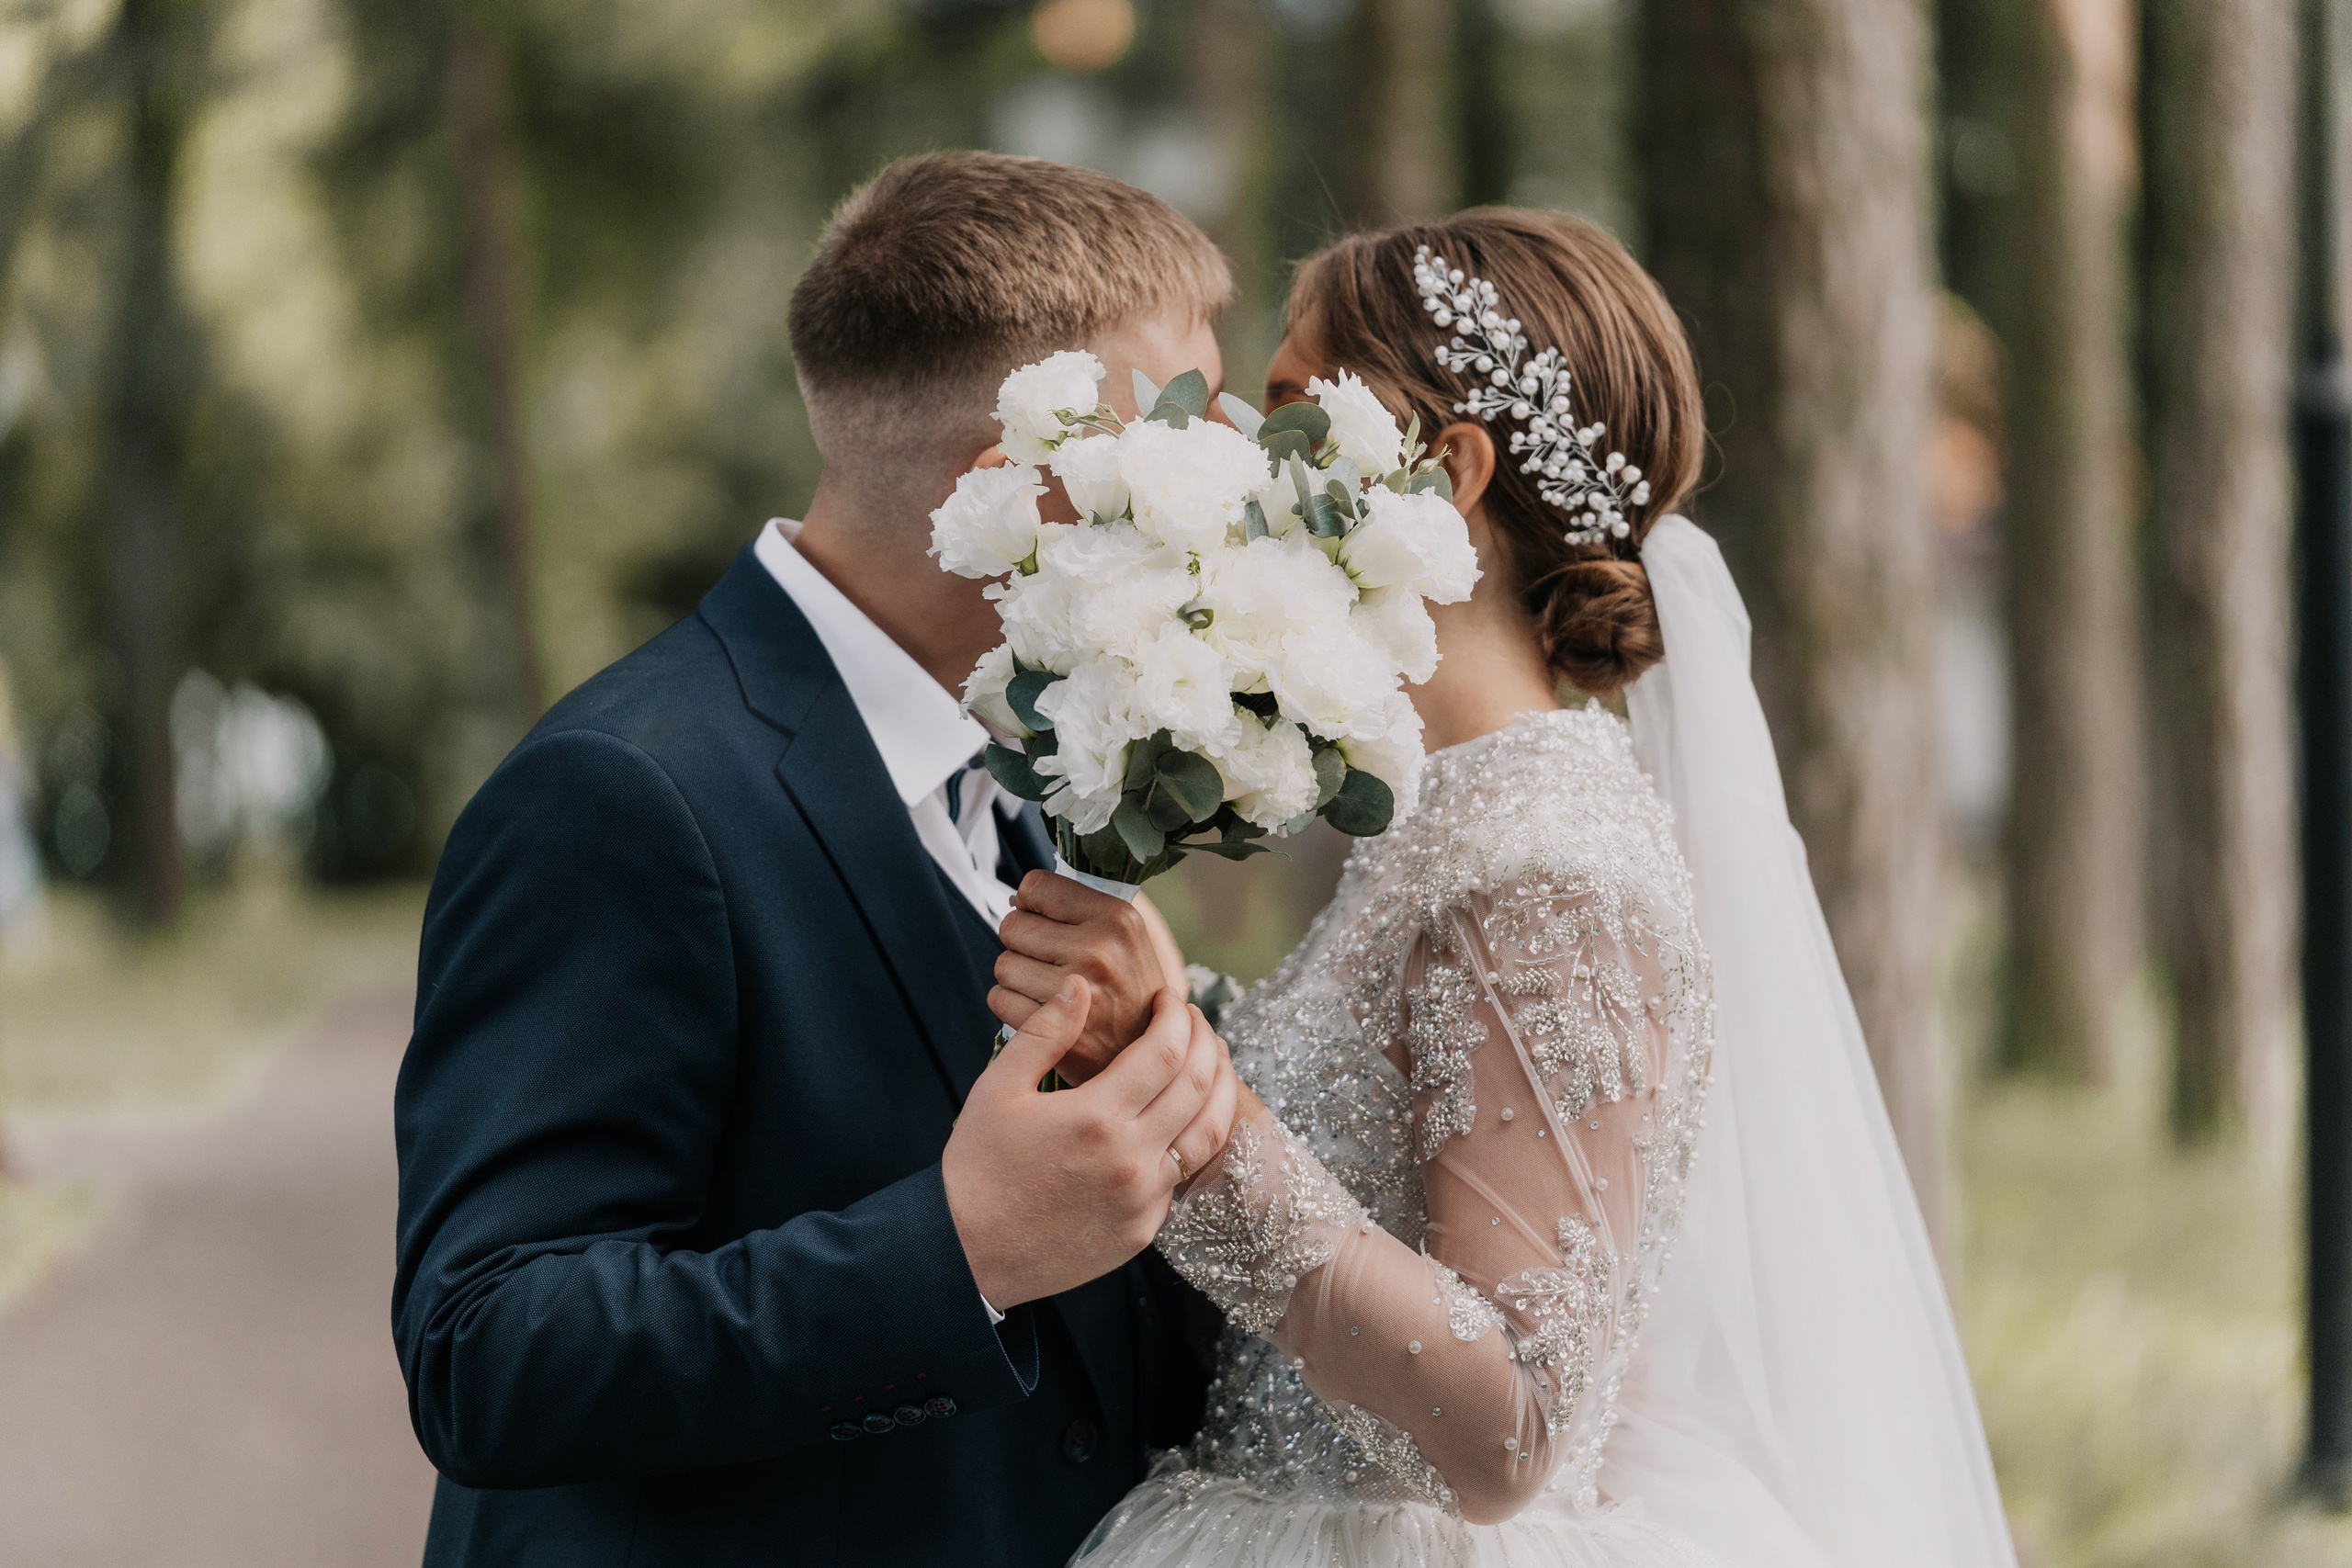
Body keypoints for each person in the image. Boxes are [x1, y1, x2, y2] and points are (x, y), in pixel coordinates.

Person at [992, 209, 2018, 1567]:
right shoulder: (1450, 813)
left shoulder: (1542, 869)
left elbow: (1508, 1427)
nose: (1238, 448)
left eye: (1291, 404)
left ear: (1449, 471)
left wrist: (1188, 1104)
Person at [390, 152, 1246, 1568]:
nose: (1234, 490)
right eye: (1189, 431)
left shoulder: (1033, 768)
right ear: (1026, 492)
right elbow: (489, 1347)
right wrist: (958, 1243)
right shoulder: (621, 794)